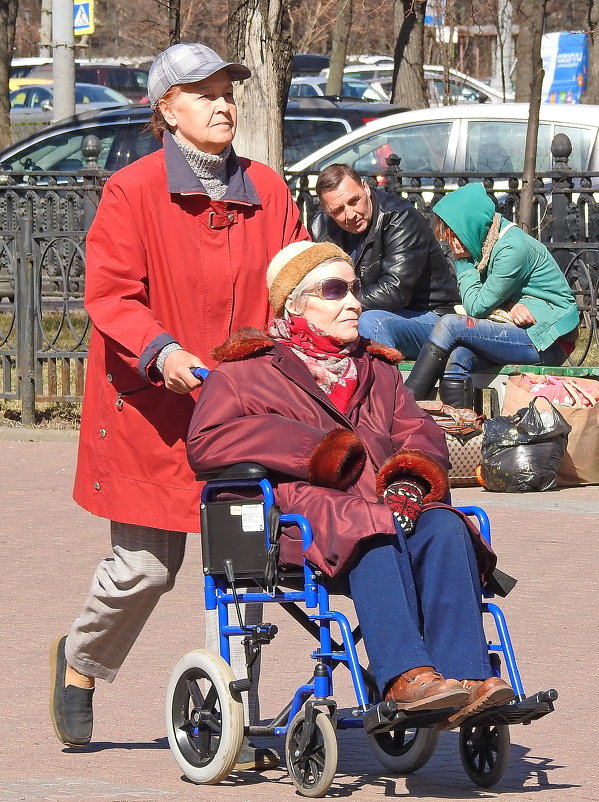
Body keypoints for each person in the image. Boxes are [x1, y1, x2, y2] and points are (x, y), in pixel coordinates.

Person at [49, 41, 309, 764]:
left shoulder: (267, 188)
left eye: (228, 90)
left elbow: (298, 280)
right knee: (145, 571)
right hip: (153, 410)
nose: (223, 103)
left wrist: (322, 315)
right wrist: (161, 351)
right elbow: (110, 294)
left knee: (246, 571)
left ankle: (242, 718)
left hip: (248, 412)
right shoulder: (132, 191)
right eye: (204, 93)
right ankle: (80, 661)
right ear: (167, 109)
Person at [186, 240, 514, 726]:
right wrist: (314, 450)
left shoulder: (377, 369)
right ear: (294, 303)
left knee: (445, 527)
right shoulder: (244, 372)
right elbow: (207, 440)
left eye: (355, 289)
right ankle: (405, 676)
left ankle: (464, 676)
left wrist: (407, 479)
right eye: (335, 290)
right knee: (369, 528)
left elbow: (418, 432)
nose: (355, 302)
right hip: (298, 519)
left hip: (384, 505)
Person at [404, 182, 580, 408]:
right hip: (527, 331)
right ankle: (462, 433)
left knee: (450, 325)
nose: (452, 242)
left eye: (454, 234)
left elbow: (476, 306)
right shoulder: (488, 243)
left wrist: (463, 262)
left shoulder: (511, 248)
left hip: (548, 340)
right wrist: (510, 305)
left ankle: (407, 407)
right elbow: (492, 296)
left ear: (471, 226)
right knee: (457, 358)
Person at [309, 163, 460, 359]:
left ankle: (381, 388)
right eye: (337, 210)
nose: (350, 214)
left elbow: (394, 292)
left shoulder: (399, 217)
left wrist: (340, 305)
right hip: (356, 314)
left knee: (372, 322)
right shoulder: (321, 227)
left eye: (354, 201)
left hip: (428, 316)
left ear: (365, 187)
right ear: (325, 209)